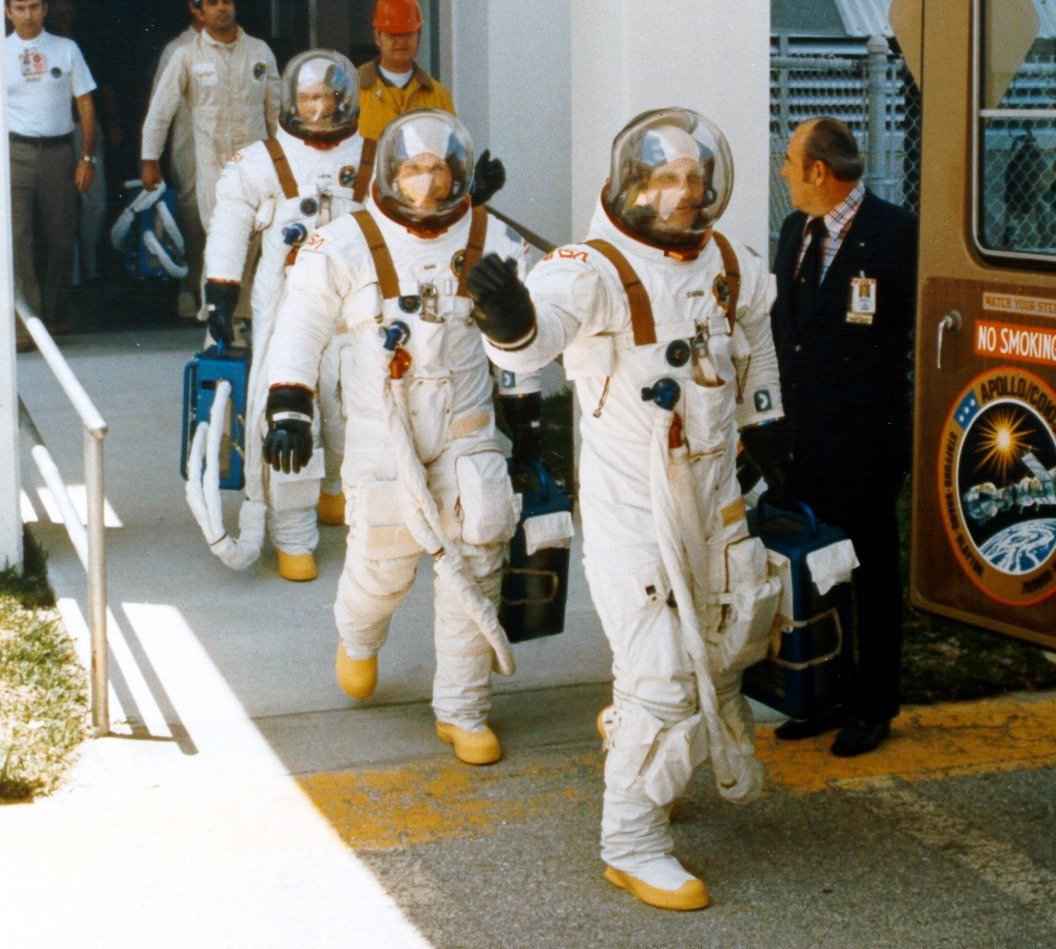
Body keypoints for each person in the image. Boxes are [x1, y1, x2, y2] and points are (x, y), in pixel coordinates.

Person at [467, 109, 786, 911]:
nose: (684, 192)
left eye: (693, 178)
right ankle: (632, 843)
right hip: (631, 505)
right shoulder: (593, 267)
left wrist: (767, 429)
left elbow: (754, 343)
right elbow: (537, 336)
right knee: (663, 672)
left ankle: (640, 742)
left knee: (723, 648)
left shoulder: (728, 262)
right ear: (634, 186)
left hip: (714, 496)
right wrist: (508, 318)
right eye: (666, 179)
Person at [264, 109, 538, 765]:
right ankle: (359, 636)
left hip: (467, 432)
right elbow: (300, 323)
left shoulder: (494, 238)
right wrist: (290, 404)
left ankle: (463, 710)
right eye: (413, 169)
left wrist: (530, 427)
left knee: (477, 561)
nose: (426, 182)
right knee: (382, 564)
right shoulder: (344, 242)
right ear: (390, 174)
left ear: (458, 175)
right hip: (382, 435)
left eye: (439, 169)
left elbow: (528, 341)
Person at [190, 50, 370, 583]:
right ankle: (294, 537)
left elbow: (413, 207)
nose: (319, 109)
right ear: (292, 102)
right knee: (289, 418)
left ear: (345, 100)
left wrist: (469, 197)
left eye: (328, 98)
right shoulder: (260, 162)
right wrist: (221, 293)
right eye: (309, 98)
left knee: (354, 414)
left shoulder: (373, 157)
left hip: (353, 311)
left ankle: (336, 491)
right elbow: (229, 225)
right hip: (285, 312)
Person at [769, 116, 917, 757]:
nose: (784, 171)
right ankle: (824, 693)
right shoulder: (795, 230)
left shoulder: (895, 234)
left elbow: (910, 338)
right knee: (816, 568)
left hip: (865, 438)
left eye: (790, 161)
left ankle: (873, 702)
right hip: (803, 436)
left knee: (871, 574)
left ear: (818, 171)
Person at [140, 0, 279, 236]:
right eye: (213, 3)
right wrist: (150, 160)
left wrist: (286, 157)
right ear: (200, 12)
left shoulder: (260, 51)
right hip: (213, 168)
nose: (222, 8)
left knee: (260, 237)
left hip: (255, 164)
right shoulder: (186, 55)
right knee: (221, 238)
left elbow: (276, 110)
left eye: (227, 2)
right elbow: (160, 111)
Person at [5, 0, 96, 350]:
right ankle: (27, 323)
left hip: (59, 152)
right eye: (20, 8)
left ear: (44, 10)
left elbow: (85, 103)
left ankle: (55, 313)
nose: (27, 15)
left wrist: (86, 156)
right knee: (18, 238)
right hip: (15, 152)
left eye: (33, 7)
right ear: (8, 13)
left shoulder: (66, 48)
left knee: (60, 237)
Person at [359, 0, 505, 207]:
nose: (400, 42)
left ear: (419, 36)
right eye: (392, 35)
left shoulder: (438, 95)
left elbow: (450, 160)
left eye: (407, 34)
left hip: (422, 207)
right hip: (366, 204)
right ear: (377, 37)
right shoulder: (355, 90)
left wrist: (474, 186)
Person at [149, 0, 206, 318]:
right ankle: (189, 286)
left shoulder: (248, 48)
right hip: (190, 147)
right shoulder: (177, 50)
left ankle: (225, 299)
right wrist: (151, 158)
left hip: (234, 149)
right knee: (191, 219)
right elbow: (159, 111)